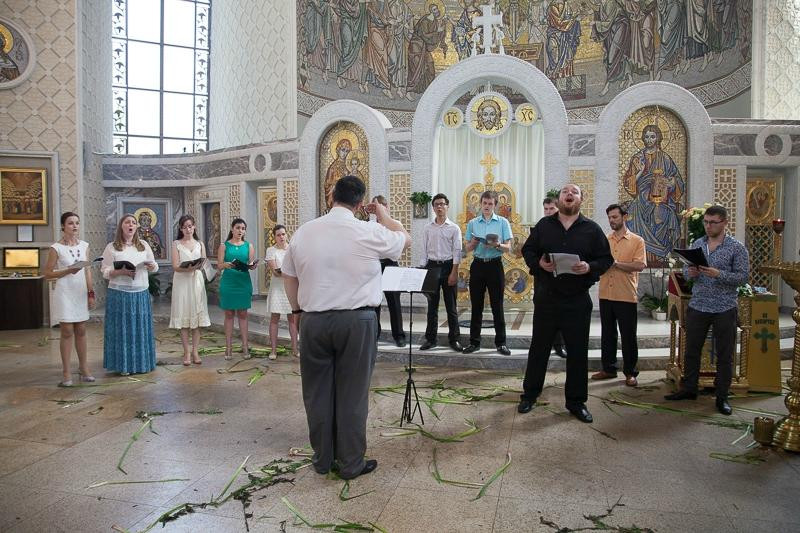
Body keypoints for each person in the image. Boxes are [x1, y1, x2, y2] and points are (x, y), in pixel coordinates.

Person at [282, 175, 409, 480]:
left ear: (332, 198)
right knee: (352, 394)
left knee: (317, 393)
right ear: (360, 203)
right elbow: (404, 238)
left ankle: (323, 459)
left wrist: (298, 311)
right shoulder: (368, 229)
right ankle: (351, 463)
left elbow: (288, 274)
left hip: (313, 320)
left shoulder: (304, 231)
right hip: (356, 322)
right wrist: (384, 215)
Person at [518, 184, 614, 423]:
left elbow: (606, 259)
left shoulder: (591, 229)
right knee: (539, 348)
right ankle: (530, 394)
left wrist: (589, 267)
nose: (569, 195)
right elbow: (528, 250)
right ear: (559, 199)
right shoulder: (544, 225)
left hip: (577, 300)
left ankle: (576, 401)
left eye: (575, 192)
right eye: (565, 192)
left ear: (581, 199)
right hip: (547, 298)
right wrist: (539, 264)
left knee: (578, 352)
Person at [665, 205, 749, 416]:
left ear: (724, 223)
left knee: (725, 354)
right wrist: (690, 272)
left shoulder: (736, 248)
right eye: (706, 222)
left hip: (724, 307)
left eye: (713, 222)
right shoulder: (698, 244)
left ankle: (722, 396)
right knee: (691, 350)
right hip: (698, 305)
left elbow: (742, 277)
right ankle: (689, 389)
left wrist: (717, 274)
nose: (708, 226)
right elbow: (686, 269)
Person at [592, 204, 647, 386]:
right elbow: (599, 263)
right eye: (609, 217)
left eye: (615, 217)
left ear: (625, 217)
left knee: (628, 335)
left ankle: (631, 372)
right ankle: (608, 368)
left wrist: (615, 264)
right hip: (606, 293)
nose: (611, 221)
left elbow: (639, 265)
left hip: (626, 294)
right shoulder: (604, 240)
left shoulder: (637, 240)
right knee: (607, 334)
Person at [101, 214, 158, 375]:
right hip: (119, 293)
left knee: (139, 330)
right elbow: (104, 271)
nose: (131, 225)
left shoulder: (144, 245)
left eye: (134, 223)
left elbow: (155, 267)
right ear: (121, 226)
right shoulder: (112, 247)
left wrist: (151, 266)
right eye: (127, 222)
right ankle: (123, 365)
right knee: (122, 331)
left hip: (140, 292)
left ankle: (142, 364)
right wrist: (120, 271)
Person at [44, 212, 96, 386]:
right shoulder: (56, 248)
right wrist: (68, 270)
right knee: (67, 331)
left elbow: (87, 270)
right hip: (65, 292)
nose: (74, 226)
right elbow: (48, 274)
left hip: (80, 291)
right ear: (63, 226)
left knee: (81, 330)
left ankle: (84, 367)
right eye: (70, 223)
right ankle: (66, 372)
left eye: (77, 223)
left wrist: (90, 293)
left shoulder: (85, 246)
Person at [463, 190, 513, 355]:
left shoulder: (502, 222)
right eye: (484, 203)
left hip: (494, 265)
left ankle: (501, 343)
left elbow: (509, 248)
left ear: (495, 205)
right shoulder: (473, 223)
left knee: (497, 305)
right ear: (480, 204)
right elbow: (467, 248)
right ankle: (474, 342)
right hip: (477, 265)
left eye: (490, 204)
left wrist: (497, 245)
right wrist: (475, 242)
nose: (487, 206)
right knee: (476, 305)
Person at [420, 193, 463, 352]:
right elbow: (423, 251)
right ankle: (431, 339)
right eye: (436, 204)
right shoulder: (427, 228)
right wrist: (422, 271)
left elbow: (457, 251)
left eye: (442, 204)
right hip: (431, 267)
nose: (439, 207)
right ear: (433, 207)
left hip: (448, 267)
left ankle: (455, 339)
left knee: (451, 307)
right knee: (432, 306)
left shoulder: (454, 228)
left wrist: (454, 272)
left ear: (447, 206)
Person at [169, 214, 211, 366]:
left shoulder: (200, 243)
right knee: (184, 317)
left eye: (190, 226)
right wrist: (188, 268)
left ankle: (195, 350)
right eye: (185, 226)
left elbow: (204, 262)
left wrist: (203, 268)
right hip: (182, 282)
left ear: (194, 227)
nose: (188, 229)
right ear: (181, 228)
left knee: (197, 317)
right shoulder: (176, 244)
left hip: (196, 281)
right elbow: (175, 265)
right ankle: (186, 351)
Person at [218, 218, 256, 360]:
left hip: (243, 282)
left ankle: (245, 347)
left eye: (243, 228)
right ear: (232, 229)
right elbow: (219, 265)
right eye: (238, 228)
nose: (240, 231)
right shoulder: (224, 245)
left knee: (243, 315)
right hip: (228, 283)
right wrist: (226, 264)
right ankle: (228, 348)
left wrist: (252, 266)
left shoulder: (249, 246)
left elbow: (250, 264)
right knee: (228, 315)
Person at [372, 196, 407, 347]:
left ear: (386, 207)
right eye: (376, 206)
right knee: (374, 301)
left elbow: (403, 244)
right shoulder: (369, 226)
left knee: (394, 301)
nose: (379, 209)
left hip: (391, 264)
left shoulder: (395, 224)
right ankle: (375, 334)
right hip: (374, 265)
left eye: (381, 206)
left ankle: (399, 335)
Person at [265, 224, 299, 359]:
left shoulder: (292, 249)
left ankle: (295, 349)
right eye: (278, 235)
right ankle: (273, 350)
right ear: (274, 237)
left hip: (291, 286)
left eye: (283, 234)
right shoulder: (271, 250)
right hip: (277, 287)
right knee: (275, 318)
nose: (281, 237)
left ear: (287, 235)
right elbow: (275, 272)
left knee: (293, 319)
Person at [541, 196, 566, 358]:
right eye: (546, 209)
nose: (549, 212)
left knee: (560, 313)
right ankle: (545, 344)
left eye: (552, 209)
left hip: (561, 277)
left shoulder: (564, 226)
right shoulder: (541, 227)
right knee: (544, 313)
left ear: (557, 209)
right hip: (543, 277)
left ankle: (559, 344)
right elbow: (530, 250)